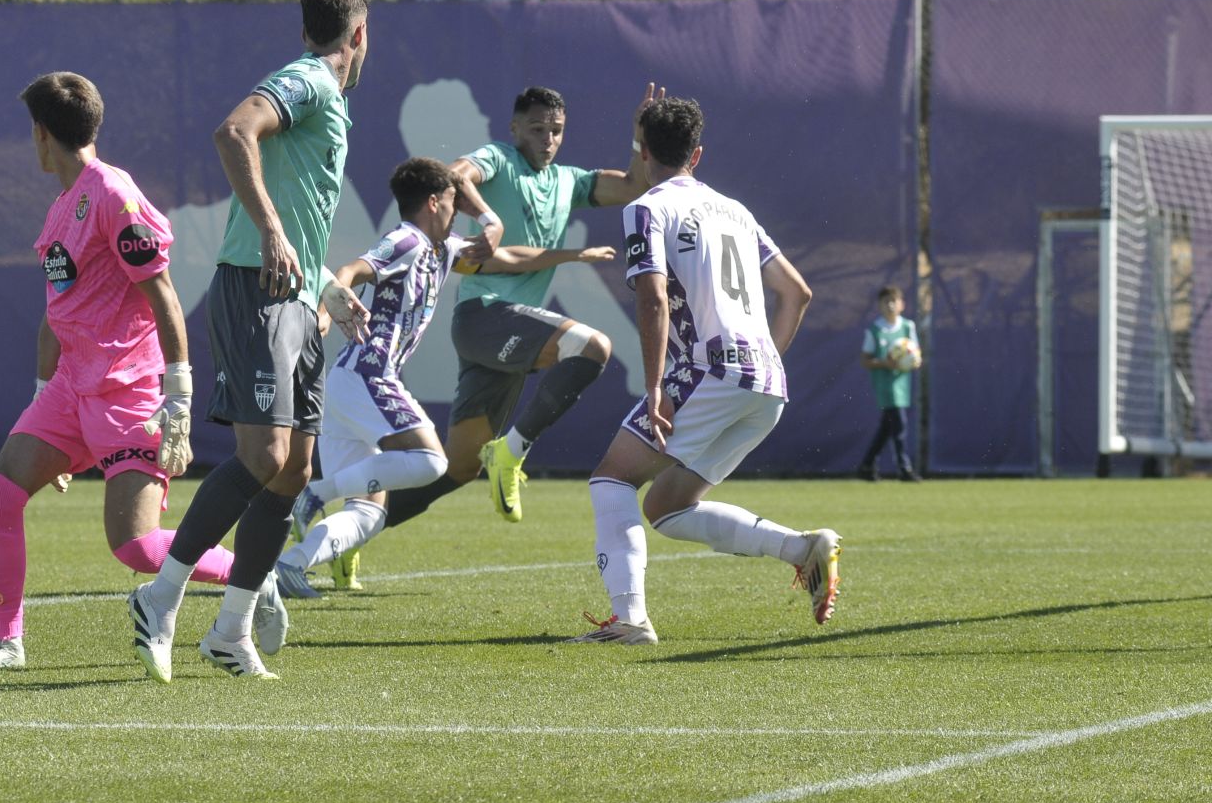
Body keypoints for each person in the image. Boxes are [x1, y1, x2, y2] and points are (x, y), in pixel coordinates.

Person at [126, 0, 376, 682]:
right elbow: (233, 131)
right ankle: (159, 596)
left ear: (306, 28)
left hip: (296, 297)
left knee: (295, 468)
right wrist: (268, 230)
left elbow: (294, 217)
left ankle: (231, 631)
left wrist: (324, 284)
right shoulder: (310, 79)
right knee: (264, 454)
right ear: (360, 35)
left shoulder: (324, 95)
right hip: (255, 290)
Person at [0, 72, 212, 671]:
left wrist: (178, 392)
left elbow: (163, 294)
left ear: (41, 134)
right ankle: (8, 644)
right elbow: (59, 311)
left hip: (128, 390)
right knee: (3, 489)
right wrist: (42, 395)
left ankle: (255, 573)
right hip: (71, 388)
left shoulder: (112, 194)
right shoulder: (61, 207)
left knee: (137, 548)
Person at [273, 157, 614, 598]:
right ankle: (316, 493)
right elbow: (353, 270)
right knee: (432, 461)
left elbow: (507, 257)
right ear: (434, 203)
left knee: (369, 513)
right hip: (367, 373)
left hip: (350, 382)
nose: (458, 211)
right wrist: (329, 307)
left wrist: (572, 256)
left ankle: (290, 565)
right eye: (454, 202)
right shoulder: (406, 240)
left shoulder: (444, 249)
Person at [574, 95, 839, 645]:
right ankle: (801, 548)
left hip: (709, 370)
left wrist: (654, 387)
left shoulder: (647, 208)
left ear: (643, 154)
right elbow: (797, 293)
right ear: (697, 155)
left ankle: (629, 621)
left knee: (612, 478)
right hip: (767, 383)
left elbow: (653, 298)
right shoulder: (736, 211)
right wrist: (763, 362)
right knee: (666, 506)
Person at [371, 84, 658, 543]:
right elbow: (454, 175)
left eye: (556, 130)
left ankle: (349, 533)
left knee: (458, 467)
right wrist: (490, 219)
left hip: (511, 328)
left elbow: (633, 186)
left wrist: (640, 137)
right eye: (538, 129)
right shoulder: (499, 158)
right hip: (483, 316)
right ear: (515, 128)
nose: (548, 139)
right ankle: (512, 451)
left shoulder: (568, 181)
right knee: (592, 348)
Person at [857, 285, 923, 482]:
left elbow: (915, 353)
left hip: (902, 384)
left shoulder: (908, 327)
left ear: (902, 304)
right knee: (899, 424)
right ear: (879, 305)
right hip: (885, 385)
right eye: (886, 301)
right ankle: (904, 468)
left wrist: (914, 360)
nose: (890, 305)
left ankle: (867, 465)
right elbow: (865, 360)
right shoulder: (875, 330)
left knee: (887, 428)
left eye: (894, 301)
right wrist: (884, 363)